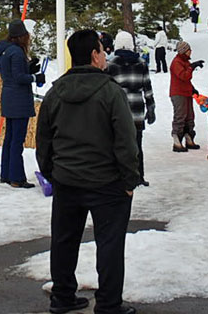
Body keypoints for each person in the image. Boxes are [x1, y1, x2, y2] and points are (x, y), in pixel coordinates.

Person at [35, 29, 139, 314]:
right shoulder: (110, 92)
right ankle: (108, 304)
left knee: (64, 242)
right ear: (94, 55)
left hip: (67, 180)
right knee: (109, 245)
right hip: (107, 183)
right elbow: (126, 141)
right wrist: (130, 179)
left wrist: (51, 173)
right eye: (102, 50)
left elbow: (42, 140)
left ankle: (63, 297)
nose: (105, 55)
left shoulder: (55, 93)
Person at [0, 19, 44, 189]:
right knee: (17, 140)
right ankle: (17, 177)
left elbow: (11, 73)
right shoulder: (16, 52)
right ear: (21, 36)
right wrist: (34, 77)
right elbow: (18, 77)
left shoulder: (5, 51)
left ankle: (6, 174)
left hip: (9, 97)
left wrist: (28, 68)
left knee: (10, 138)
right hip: (19, 99)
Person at [107, 31, 156, 187]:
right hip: (137, 109)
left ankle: (120, 176)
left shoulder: (111, 64)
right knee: (136, 145)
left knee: (119, 145)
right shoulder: (141, 63)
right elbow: (147, 88)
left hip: (118, 110)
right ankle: (139, 175)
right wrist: (151, 108)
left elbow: (106, 89)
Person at [169, 40, 204, 152]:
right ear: (184, 51)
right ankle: (177, 141)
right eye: (189, 50)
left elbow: (186, 80)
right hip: (178, 93)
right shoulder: (177, 62)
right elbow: (184, 76)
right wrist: (191, 67)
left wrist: (192, 89)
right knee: (180, 116)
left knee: (190, 116)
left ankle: (189, 138)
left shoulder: (184, 61)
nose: (191, 52)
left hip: (186, 92)